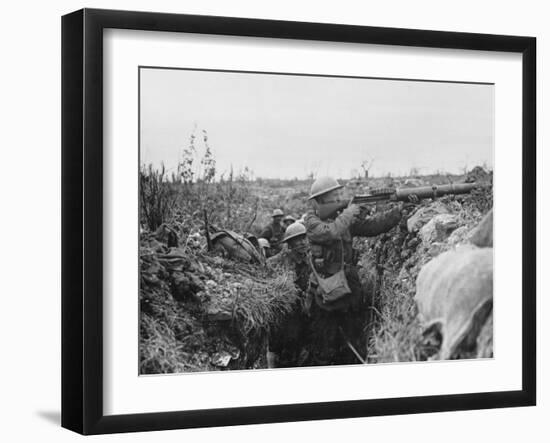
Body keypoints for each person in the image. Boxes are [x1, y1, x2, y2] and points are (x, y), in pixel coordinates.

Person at [303, 176, 415, 365]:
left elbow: (373, 227)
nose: (339, 198)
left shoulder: (343, 218)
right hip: (325, 293)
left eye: (339, 194)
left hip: (349, 290)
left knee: (354, 345)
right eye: (334, 196)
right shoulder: (312, 221)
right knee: (324, 347)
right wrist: (350, 212)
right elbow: (330, 232)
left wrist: (398, 212)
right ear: (320, 200)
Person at [265, 222, 311, 368]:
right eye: (298, 239)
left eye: (304, 238)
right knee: (279, 350)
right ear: (290, 243)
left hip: (301, 314)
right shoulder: (276, 262)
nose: (303, 242)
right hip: (283, 316)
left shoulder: (309, 262)